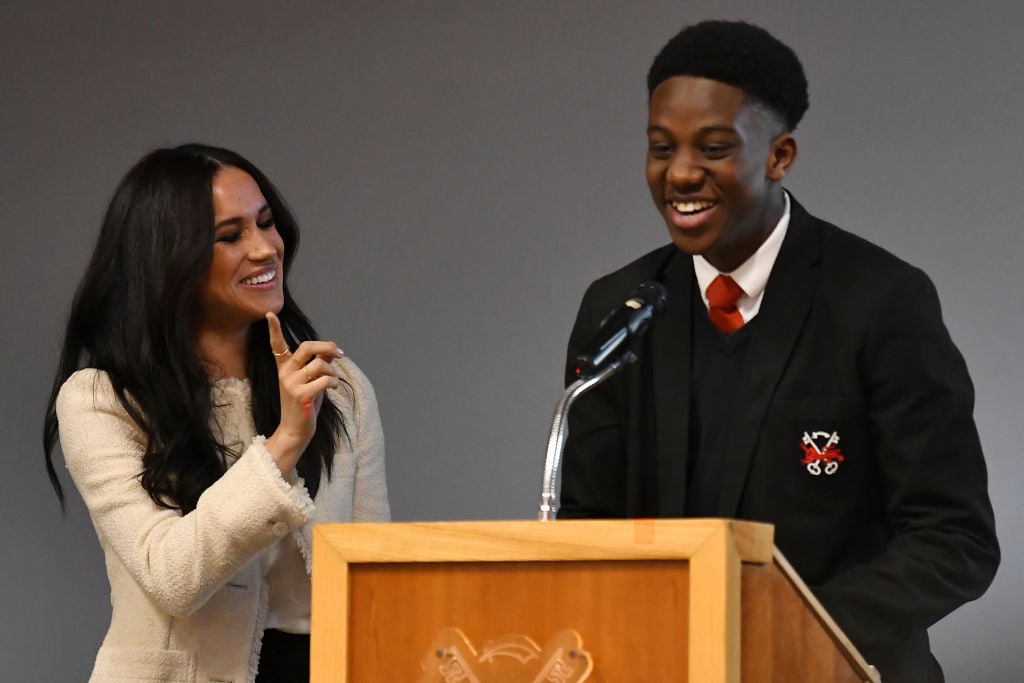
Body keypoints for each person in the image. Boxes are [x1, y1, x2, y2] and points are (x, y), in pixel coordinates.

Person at [559, 20, 998, 681]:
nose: (679, 173)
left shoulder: (881, 299)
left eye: (712, 147)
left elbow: (954, 539)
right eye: (660, 147)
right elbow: (585, 522)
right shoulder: (619, 307)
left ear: (779, 155)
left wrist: (789, 626)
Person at [42, 144, 390, 682]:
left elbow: (375, 579)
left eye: (266, 223)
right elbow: (171, 576)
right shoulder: (101, 400)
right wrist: (283, 446)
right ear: (167, 262)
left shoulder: (336, 385)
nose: (263, 248)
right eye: (230, 236)